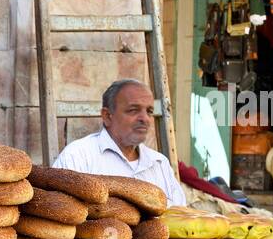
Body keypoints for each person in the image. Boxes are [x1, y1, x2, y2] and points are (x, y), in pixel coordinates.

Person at [52, 79, 187, 207]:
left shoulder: (159, 163)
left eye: (149, 111)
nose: (145, 118)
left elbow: (181, 216)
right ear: (107, 116)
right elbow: (60, 210)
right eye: (133, 110)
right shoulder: (78, 156)